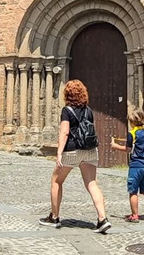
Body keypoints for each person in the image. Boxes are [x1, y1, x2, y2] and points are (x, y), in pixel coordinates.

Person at [40, 79, 111, 233]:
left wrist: (59, 153)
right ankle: (102, 219)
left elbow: (65, 132)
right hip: (89, 151)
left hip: (72, 151)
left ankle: (54, 217)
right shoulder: (89, 110)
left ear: (67, 94)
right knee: (92, 183)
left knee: (56, 181)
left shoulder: (67, 111)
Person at [110, 107, 144, 224]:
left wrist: (115, 146)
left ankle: (134, 215)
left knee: (133, 191)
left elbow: (128, 149)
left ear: (132, 122)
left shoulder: (132, 133)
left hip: (136, 166)